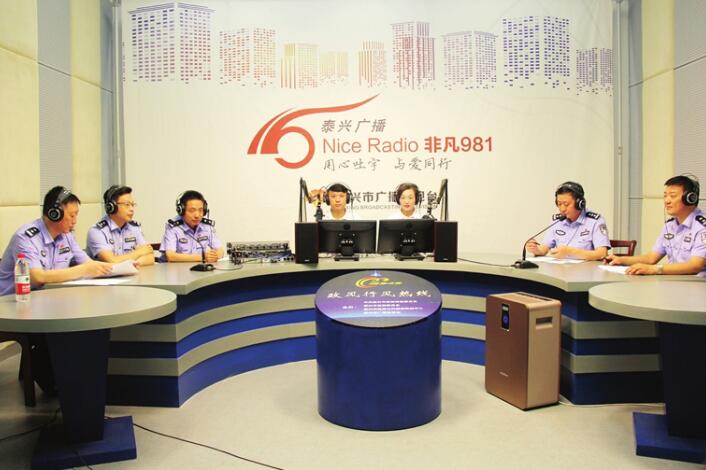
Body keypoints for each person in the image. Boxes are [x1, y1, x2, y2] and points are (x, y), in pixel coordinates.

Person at [0, 186, 112, 394]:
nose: (75, 221)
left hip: (45, 302)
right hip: (14, 304)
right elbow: (38, 277)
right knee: (57, 332)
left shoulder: (66, 235)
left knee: (82, 322)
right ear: (54, 213)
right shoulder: (26, 237)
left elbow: (88, 264)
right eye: (72, 215)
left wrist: (115, 268)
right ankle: (57, 386)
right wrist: (83, 270)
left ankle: (75, 381)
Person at [605, 175, 705, 276]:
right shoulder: (670, 225)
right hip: (673, 281)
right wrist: (621, 260)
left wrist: (655, 269)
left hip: (695, 283)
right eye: (665, 196)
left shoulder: (702, 227)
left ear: (690, 198)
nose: (667, 201)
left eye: (672, 196)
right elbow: (651, 258)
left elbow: (696, 265)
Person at [526, 181, 610, 260]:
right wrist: (536, 249)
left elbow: (602, 254)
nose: (562, 209)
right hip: (560, 269)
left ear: (579, 204)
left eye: (566, 204)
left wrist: (570, 251)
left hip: (585, 269)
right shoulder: (557, 221)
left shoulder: (595, 221)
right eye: (559, 204)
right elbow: (544, 249)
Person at [86, 185, 154, 266]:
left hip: (131, 272)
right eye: (127, 204)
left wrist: (134, 263)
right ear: (112, 207)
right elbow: (112, 261)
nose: (132, 209)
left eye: (133, 205)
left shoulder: (134, 228)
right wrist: (139, 252)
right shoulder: (97, 231)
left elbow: (150, 257)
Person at [160, 190, 223, 262]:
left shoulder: (206, 226)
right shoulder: (173, 226)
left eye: (200, 210)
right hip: (176, 268)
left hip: (198, 268)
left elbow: (220, 251)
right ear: (181, 211)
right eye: (192, 210)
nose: (197, 215)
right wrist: (203, 257)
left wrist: (214, 256)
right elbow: (171, 256)